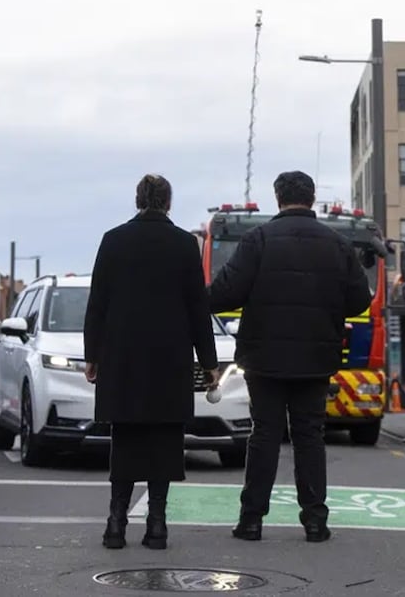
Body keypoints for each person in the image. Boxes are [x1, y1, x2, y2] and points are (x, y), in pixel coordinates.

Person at [208, 171, 373, 543]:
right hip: (316, 357)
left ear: (278, 198)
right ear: (312, 199)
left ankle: (251, 520)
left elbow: (225, 293)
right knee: (309, 436)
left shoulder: (258, 240)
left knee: (264, 434)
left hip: (263, 357)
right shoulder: (337, 244)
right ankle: (315, 520)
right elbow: (360, 300)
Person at [83, 174, 219, 551]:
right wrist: (209, 363)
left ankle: (115, 523)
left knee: (125, 438)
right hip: (169, 358)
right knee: (165, 440)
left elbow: (98, 303)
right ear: (168, 202)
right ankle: (157, 524)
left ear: (138, 199)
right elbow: (197, 308)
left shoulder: (113, 240)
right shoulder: (183, 245)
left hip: (121, 356)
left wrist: (92, 355)